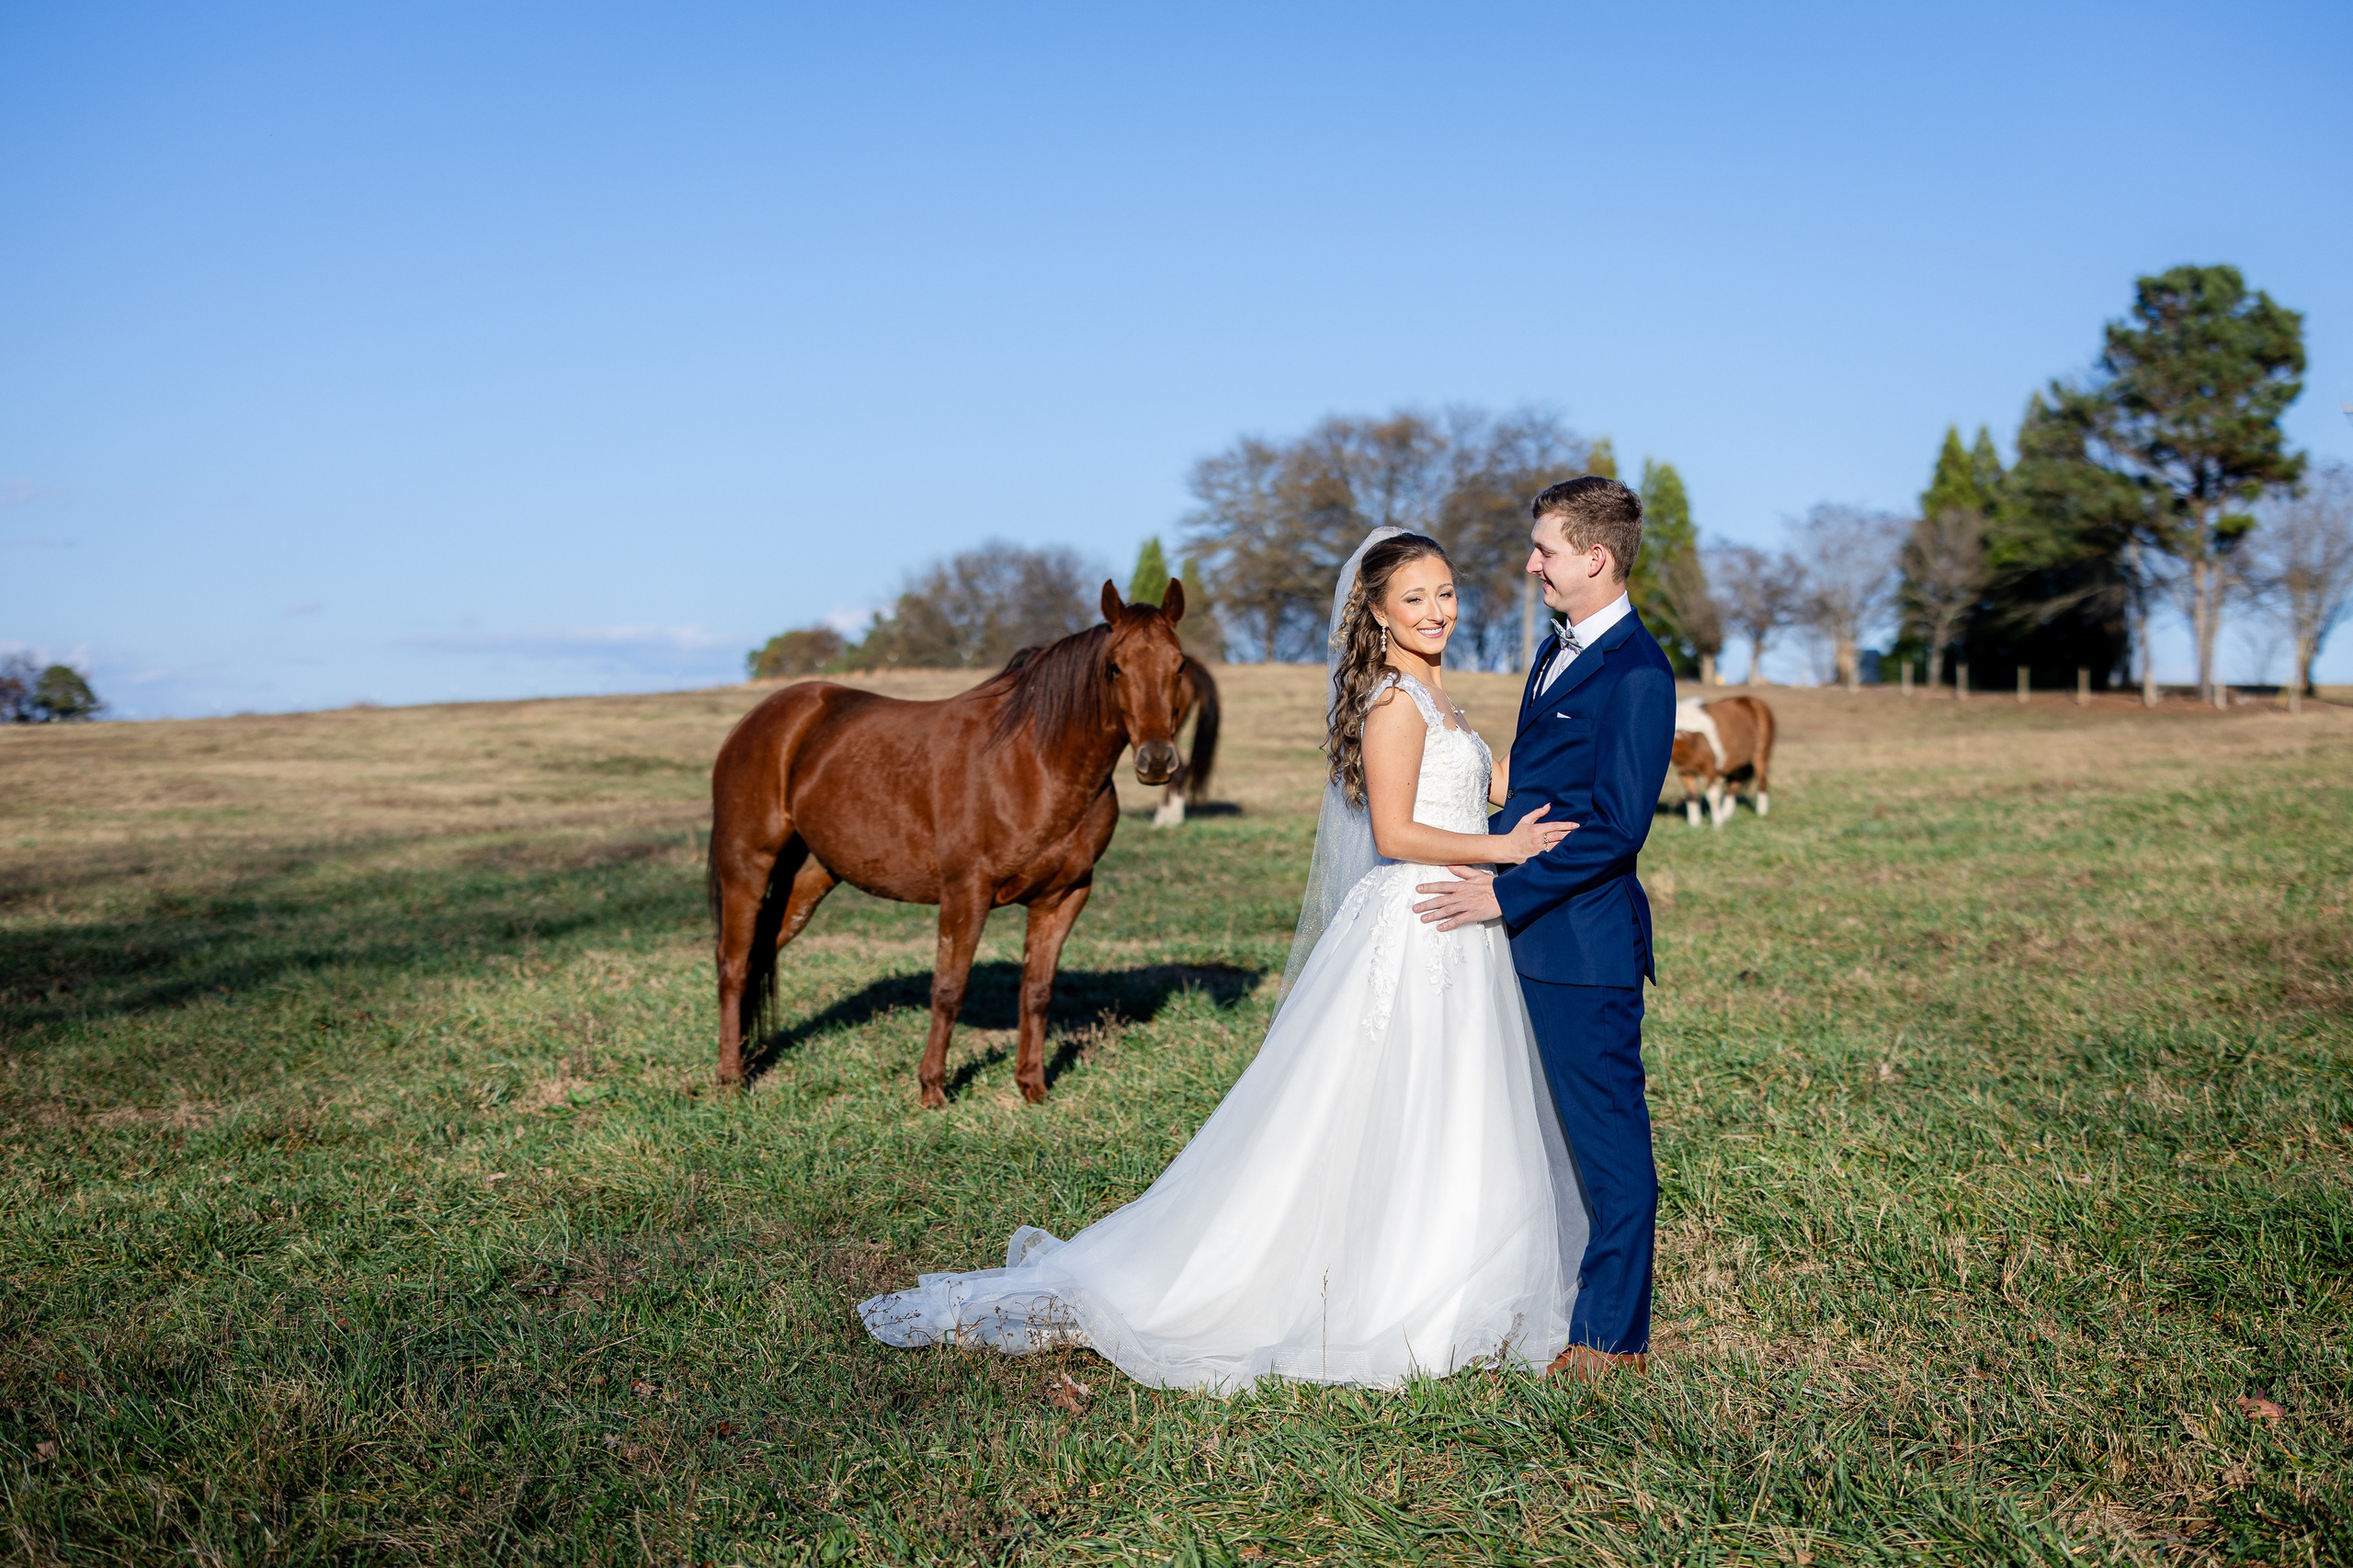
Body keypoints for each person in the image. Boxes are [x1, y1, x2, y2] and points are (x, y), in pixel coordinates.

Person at [856, 528, 1590, 1392]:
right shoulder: (1394, 702)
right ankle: (1366, 1285)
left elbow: (1483, 783)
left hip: (1466, 928)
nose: (1438, 612)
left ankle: (1458, 1274)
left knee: (1456, 1104)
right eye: (1416, 599)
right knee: (1385, 1099)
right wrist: (1505, 849)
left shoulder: (1444, 701)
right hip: (1419, 918)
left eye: (1448, 593)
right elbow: (1395, 833)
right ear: (1379, 614)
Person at [1412, 476, 1677, 1378]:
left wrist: (1504, 891)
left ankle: (1611, 1339)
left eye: (1546, 551)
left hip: (1580, 946)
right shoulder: (1553, 652)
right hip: (1526, 938)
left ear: (1595, 557)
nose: (1531, 565)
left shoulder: (1638, 672)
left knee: (1607, 1140)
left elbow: (1615, 824)